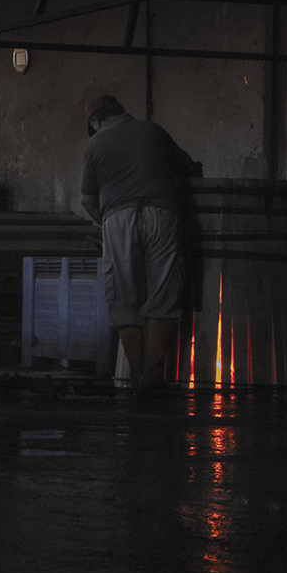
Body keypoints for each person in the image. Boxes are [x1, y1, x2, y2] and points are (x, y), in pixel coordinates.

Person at [80, 95, 201, 391]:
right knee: (163, 290)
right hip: (162, 213)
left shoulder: (95, 144)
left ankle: (138, 376)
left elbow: (87, 200)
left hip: (118, 218)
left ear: (96, 121)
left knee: (123, 295)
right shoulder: (153, 130)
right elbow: (189, 168)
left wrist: (106, 223)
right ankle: (153, 375)